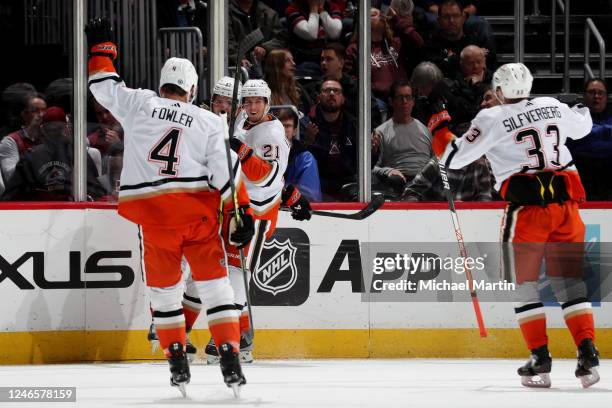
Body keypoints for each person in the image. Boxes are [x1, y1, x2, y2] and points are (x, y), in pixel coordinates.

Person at [85, 18, 254, 394]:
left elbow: (102, 86)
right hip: (197, 215)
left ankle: (176, 356)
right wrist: (240, 215)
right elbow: (224, 174)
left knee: (163, 291)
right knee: (215, 287)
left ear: (162, 84)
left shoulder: (141, 103)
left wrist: (102, 48)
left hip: (155, 217)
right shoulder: (210, 120)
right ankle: (228, 353)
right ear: (192, 90)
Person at [441, 63, 600, 388]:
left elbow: (452, 158)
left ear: (499, 91)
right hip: (567, 205)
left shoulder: (491, 117)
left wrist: (439, 131)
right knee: (570, 282)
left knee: (524, 284)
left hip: (528, 210)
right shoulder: (551, 105)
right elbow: (583, 127)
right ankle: (587, 354)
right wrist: (580, 108)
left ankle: (540, 359)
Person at [204, 79, 312, 363]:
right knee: (231, 268)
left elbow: (265, 176)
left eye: (258, 101)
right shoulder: (244, 119)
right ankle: (243, 339)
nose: (252, 107)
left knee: (238, 270)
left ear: (267, 103)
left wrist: (240, 151)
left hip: (258, 213)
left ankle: (226, 339)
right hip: (237, 205)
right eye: (248, 101)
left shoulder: (272, 134)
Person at [2, 106, 107, 201]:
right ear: (66, 128)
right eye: (51, 129)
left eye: (57, 129)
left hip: (61, 212)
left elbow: (96, 192)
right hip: (47, 214)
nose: (54, 134)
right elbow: (12, 195)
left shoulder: (78, 155)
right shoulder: (78, 154)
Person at [372, 80, 432, 195]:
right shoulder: (380, 132)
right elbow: (371, 168)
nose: (405, 101)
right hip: (399, 182)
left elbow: (435, 162)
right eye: (400, 97)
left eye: (408, 97)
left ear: (413, 101)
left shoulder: (425, 129)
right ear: (391, 101)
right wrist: (387, 171)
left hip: (426, 182)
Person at [304, 79, 358, 200]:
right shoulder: (306, 124)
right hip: (318, 181)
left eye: (337, 91)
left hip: (347, 181)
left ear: (343, 99)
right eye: (327, 90)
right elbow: (300, 161)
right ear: (318, 98)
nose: (332, 93)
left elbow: (361, 165)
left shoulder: (354, 125)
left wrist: (373, 151)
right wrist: (307, 143)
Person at [422, 0, 496, 77]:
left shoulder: (475, 41)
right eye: (446, 17)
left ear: (463, 18)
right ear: (439, 21)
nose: (451, 21)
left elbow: (490, 71)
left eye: (456, 16)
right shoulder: (432, 45)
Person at [566, 78, 612, 200]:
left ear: (607, 96)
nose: (596, 96)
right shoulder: (575, 113)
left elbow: (586, 136)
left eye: (600, 93)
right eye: (592, 92)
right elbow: (573, 139)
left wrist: (592, 134)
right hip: (583, 170)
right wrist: (606, 132)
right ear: (584, 96)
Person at [0, 92, 47, 192]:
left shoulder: (49, 139)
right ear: (24, 114)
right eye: (35, 111)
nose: (41, 114)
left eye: (44, 110)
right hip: (22, 199)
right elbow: (11, 177)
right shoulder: (10, 141)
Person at [285, 0, 343, 75]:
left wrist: (322, 11)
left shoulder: (332, 7)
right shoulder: (293, 10)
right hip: (305, 58)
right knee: (309, 68)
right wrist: (314, 10)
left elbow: (335, 33)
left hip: (327, 56)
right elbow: (311, 34)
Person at [278, 108, 322, 201]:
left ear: (294, 131)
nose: (283, 130)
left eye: (287, 126)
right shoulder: (261, 152)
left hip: (295, 211)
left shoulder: (305, 159)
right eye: (280, 126)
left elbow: (311, 197)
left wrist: (280, 190)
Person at [264, 49, 312, 115]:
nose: (293, 63)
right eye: (287, 60)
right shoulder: (264, 91)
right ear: (276, 65)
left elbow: (309, 112)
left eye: (292, 60)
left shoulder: (297, 87)